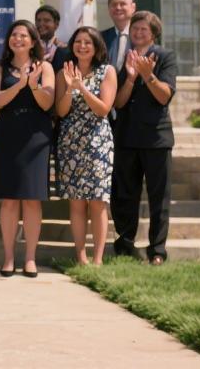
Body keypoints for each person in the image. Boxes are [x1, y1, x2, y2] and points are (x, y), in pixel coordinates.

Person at [0, 19, 54, 279]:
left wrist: (33, 84)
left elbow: (47, 103)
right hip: (8, 135)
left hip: (36, 137)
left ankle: (30, 258)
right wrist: (19, 84)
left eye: (24, 35)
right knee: (9, 199)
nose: (18, 39)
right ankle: (8, 258)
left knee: (32, 198)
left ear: (33, 40)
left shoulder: (44, 67)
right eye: (14, 35)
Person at [112, 11, 177, 265]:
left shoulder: (165, 57)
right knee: (125, 194)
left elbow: (164, 96)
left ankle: (157, 250)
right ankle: (125, 243)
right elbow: (118, 102)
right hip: (126, 137)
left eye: (143, 29)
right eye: (135, 28)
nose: (138, 33)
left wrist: (148, 75)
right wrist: (130, 77)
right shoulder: (126, 57)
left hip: (156, 138)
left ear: (154, 33)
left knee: (159, 197)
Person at [54, 26, 117, 265]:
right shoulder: (64, 72)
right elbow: (61, 111)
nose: (82, 46)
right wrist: (70, 88)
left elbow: (103, 109)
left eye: (87, 42)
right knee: (77, 202)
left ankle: (98, 258)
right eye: (78, 42)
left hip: (98, 142)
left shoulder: (107, 71)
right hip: (70, 142)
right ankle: (81, 256)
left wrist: (82, 88)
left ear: (97, 46)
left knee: (98, 202)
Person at [102, 0, 136, 72]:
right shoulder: (100, 38)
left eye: (123, 4)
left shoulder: (142, 36)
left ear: (133, 7)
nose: (118, 8)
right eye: (114, 5)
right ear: (109, 9)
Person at [35, 4, 69, 72]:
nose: (41, 24)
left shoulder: (65, 49)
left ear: (56, 24)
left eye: (46, 20)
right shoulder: (30, 48)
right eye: (38, 20)